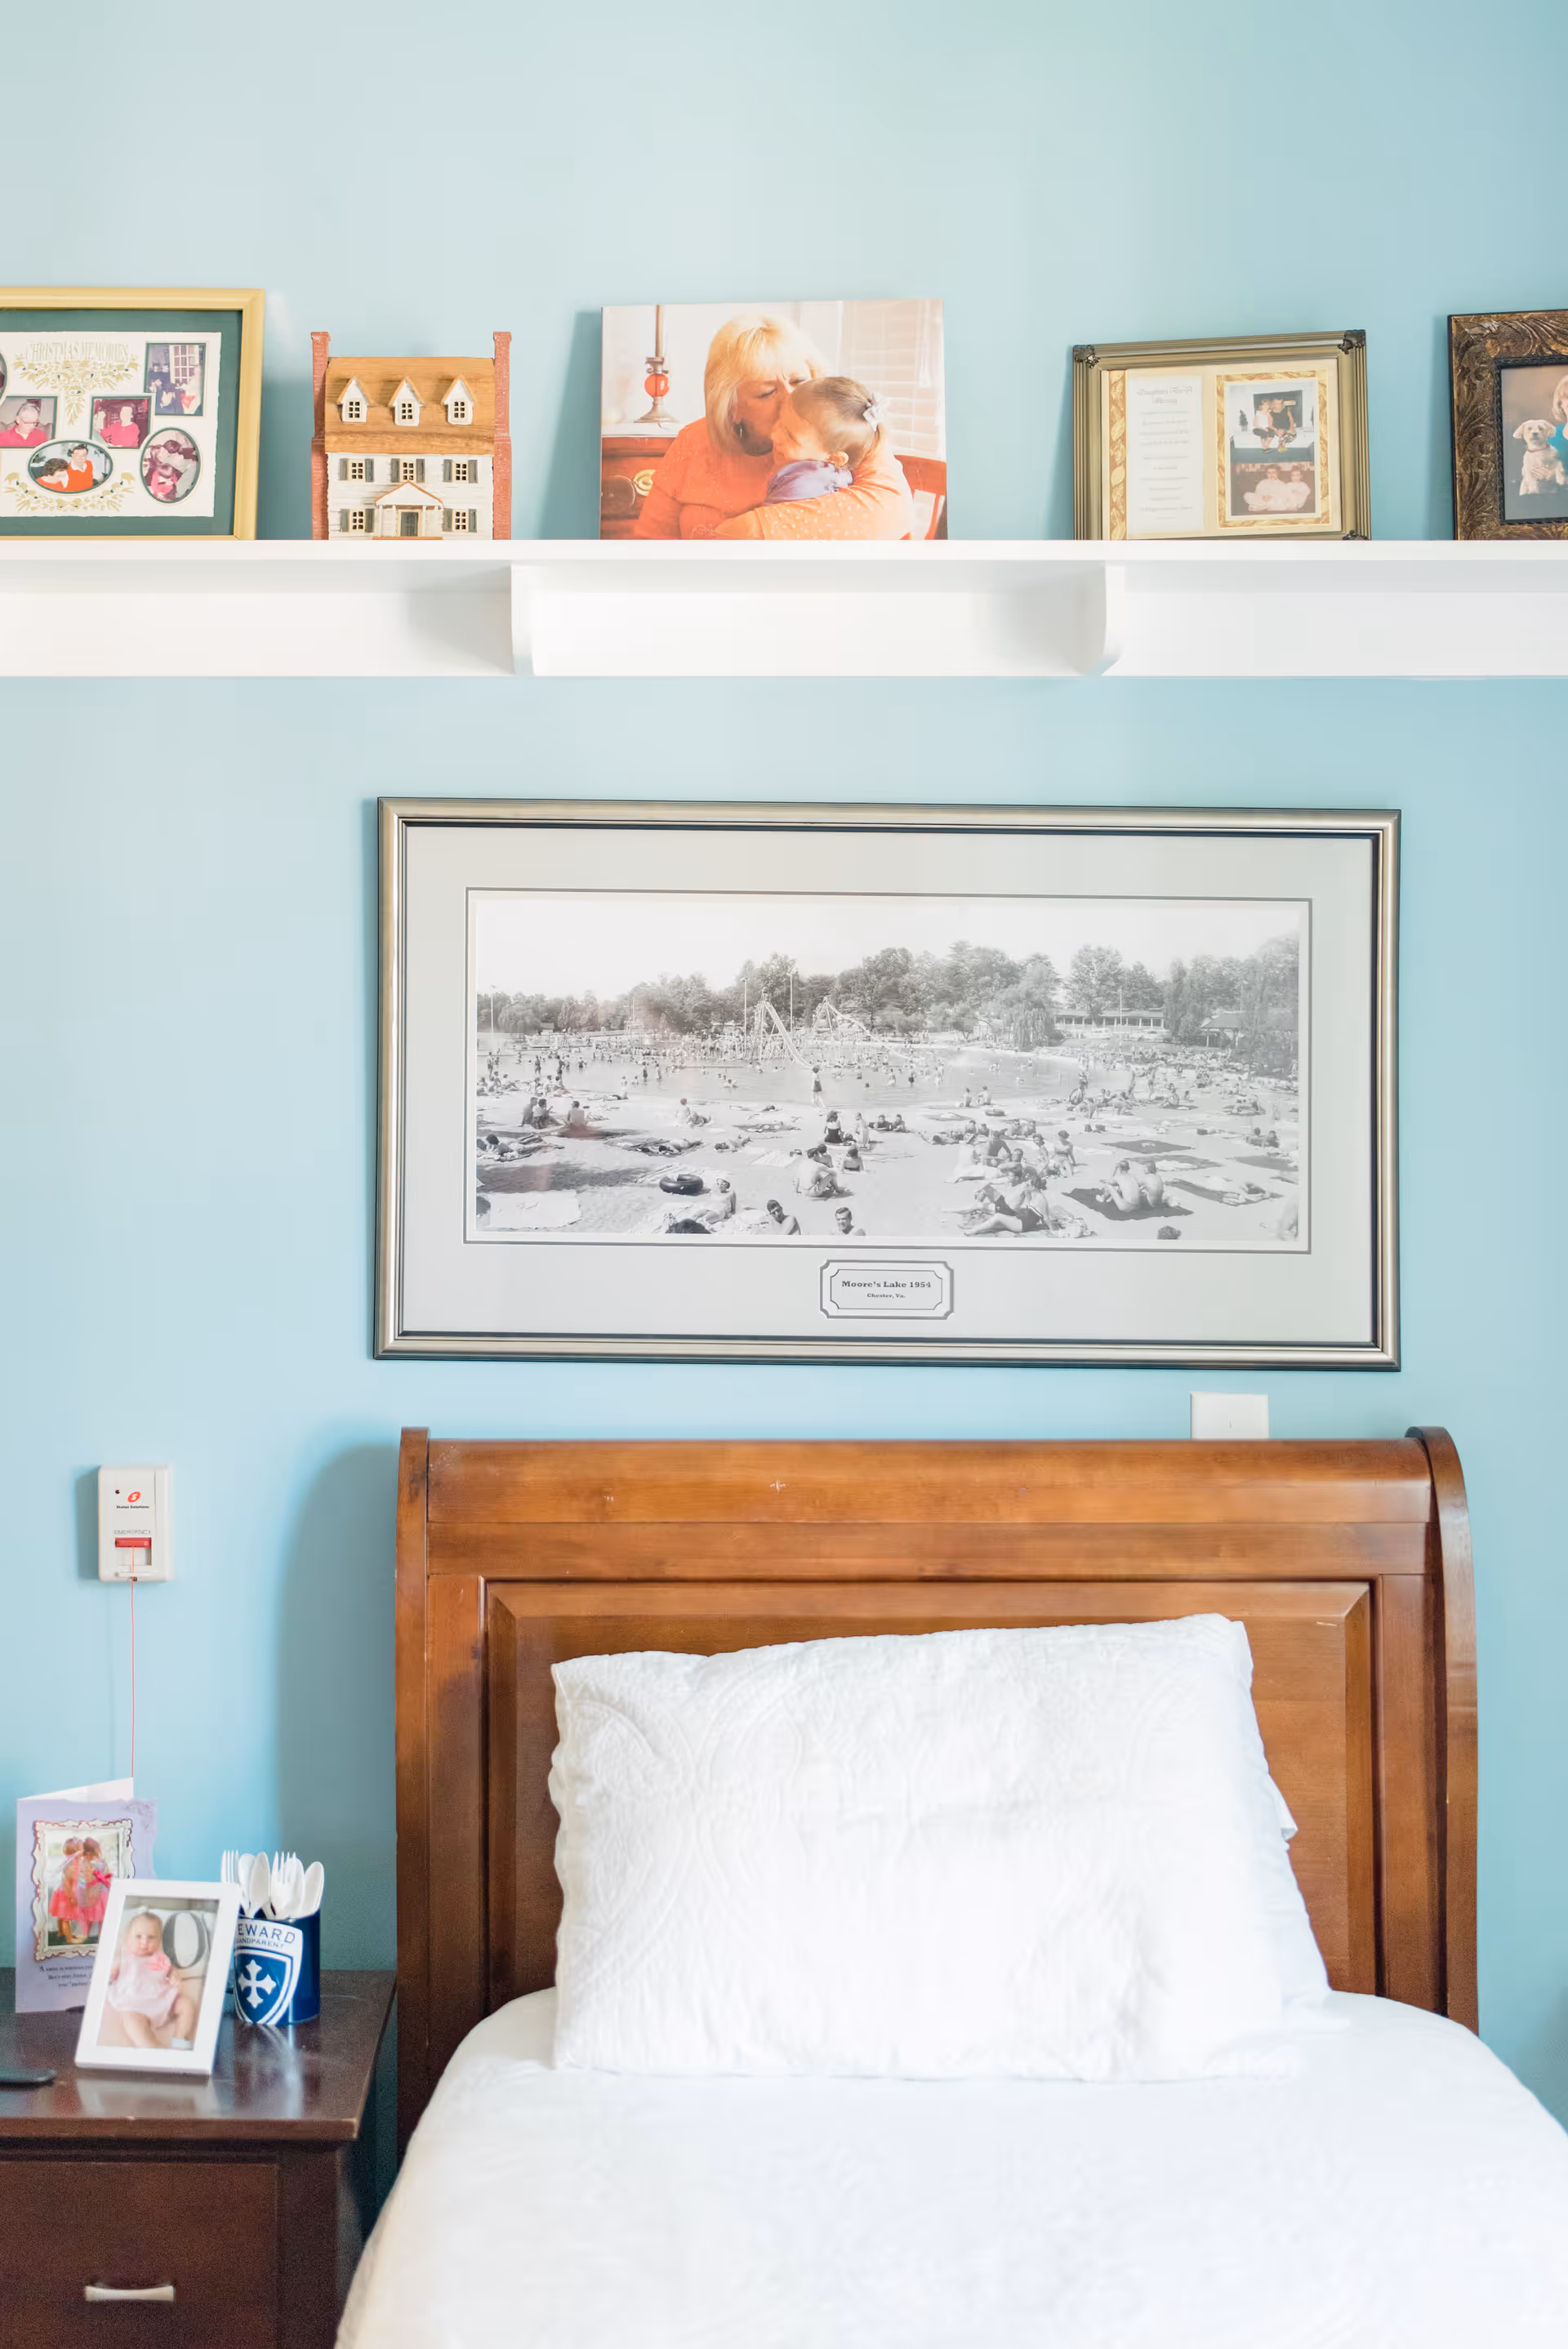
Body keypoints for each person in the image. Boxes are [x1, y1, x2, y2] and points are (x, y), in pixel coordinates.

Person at [632, 313, 913, 543]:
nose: (791, 399)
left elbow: (892, 510)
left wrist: (749, 530)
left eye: (799, 381)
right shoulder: (693, 442)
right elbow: (650, 542)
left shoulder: (844, 428)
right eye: (766, 393)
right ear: (732, 408)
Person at [758, 376, 889, 509]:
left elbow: (765, 520)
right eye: (781, 421)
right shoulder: (824, 471)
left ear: (834, 458)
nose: (774, 435)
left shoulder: (803, 487)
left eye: (791, 437)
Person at [105, 1910, 198, 2051]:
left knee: (187, 2004)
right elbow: (111, 1973)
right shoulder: (125, 1956)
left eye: (151, 1937)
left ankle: (180, 2040)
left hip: (161, 1998)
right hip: (134, 2003)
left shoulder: (159, 1957)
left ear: (159, 1941)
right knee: (130, 2020)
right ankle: (153, 2048)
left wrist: (174, 1975)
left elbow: (169, 1970)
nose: (144, 1942)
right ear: (127, 1938)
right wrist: (111, 1974)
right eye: (138, 1936)